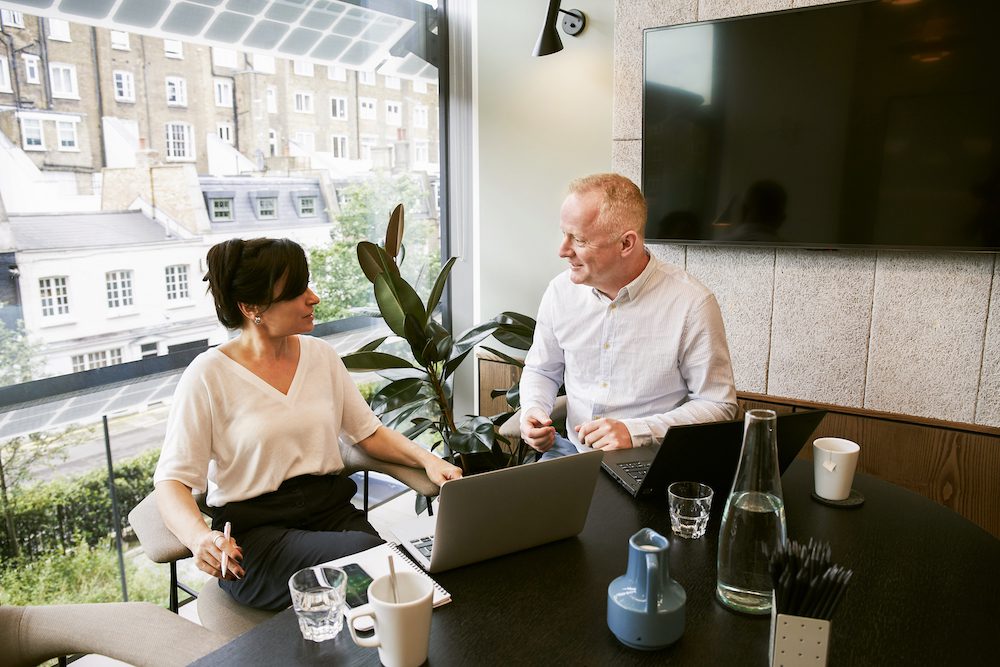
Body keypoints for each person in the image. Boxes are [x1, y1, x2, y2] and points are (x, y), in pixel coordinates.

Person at [153, 238, 461, 611]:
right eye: (297, 291)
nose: (313, 298)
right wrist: (199, 537)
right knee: (378, 569)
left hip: (332, 515)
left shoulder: (321, 356)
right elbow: (172, 482)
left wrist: (429, 460)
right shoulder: (207, 374)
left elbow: (368, 433)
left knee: (404, 585)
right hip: (259, 540)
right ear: (252, 307)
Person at [519, 173, 738, 460]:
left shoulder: (692, 303)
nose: (562, 250)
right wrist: (534, 409)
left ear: (626, 244)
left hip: (652, 459)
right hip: (570, 453)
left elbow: (717, 404)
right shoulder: (559, 293)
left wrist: (636, 431)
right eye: (564, 234)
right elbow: (542, 369)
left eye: (579, 240)